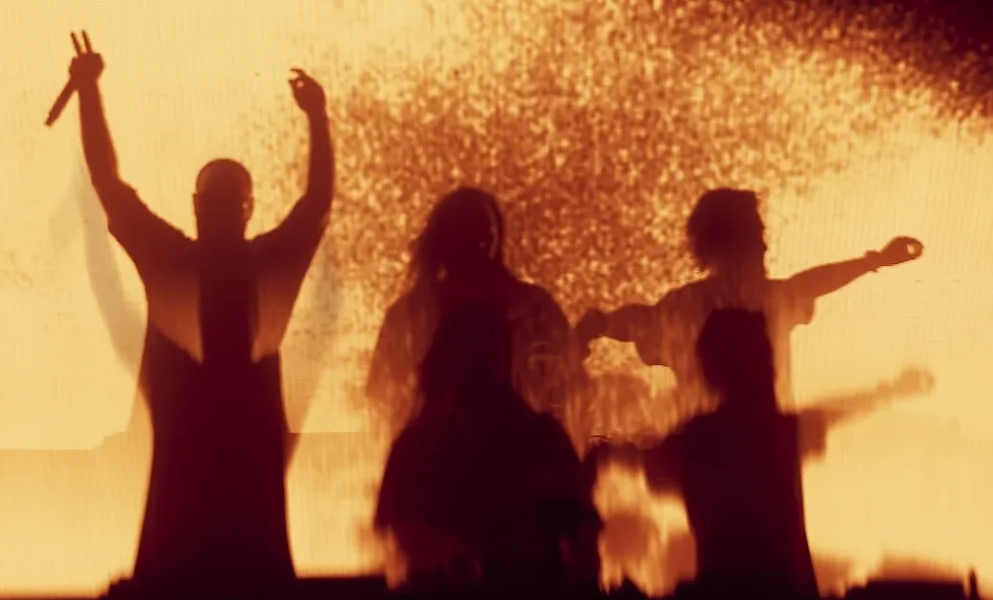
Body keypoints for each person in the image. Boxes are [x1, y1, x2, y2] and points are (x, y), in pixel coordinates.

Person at [62, 32, 333, 596]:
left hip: (196, 451)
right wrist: (317, 119)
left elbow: (108, 183)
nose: (219, 210)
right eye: (217, 201)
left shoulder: (176, 260)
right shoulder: (260, 263)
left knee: (180, 564)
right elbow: (316, 203)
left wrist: (89, 92)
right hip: (237, 452)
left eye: (223, 201)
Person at [576, 188, 923, 410]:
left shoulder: (690, 305)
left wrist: (599, 325)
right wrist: (874, 261)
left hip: (730, 465)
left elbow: (639, 321)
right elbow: (810, 285)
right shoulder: (743, 303)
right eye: (756, 235)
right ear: (728, 244)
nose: (765, 246)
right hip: (730, 467)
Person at [589, 309, 822, 598]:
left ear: (716, 366)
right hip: (787, 589)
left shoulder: (706, 436)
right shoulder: (786, 431)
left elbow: (657, 462)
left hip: (727, 587)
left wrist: (606, 452)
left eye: (704, 358)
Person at [374, 305, 601, 597]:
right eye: (472, 353)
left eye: (483, 353)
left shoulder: (540, 437)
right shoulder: (419, 445)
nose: (478, 366)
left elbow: (576, 526)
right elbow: (402, 528)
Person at [365, 187, 578, 439]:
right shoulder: (409, 317)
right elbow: (384, 403)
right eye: (467, 236)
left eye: (482, 235)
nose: (477, 245)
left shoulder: (536, 311)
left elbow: (571, 391)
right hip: (460, 451)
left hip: (507, 449)